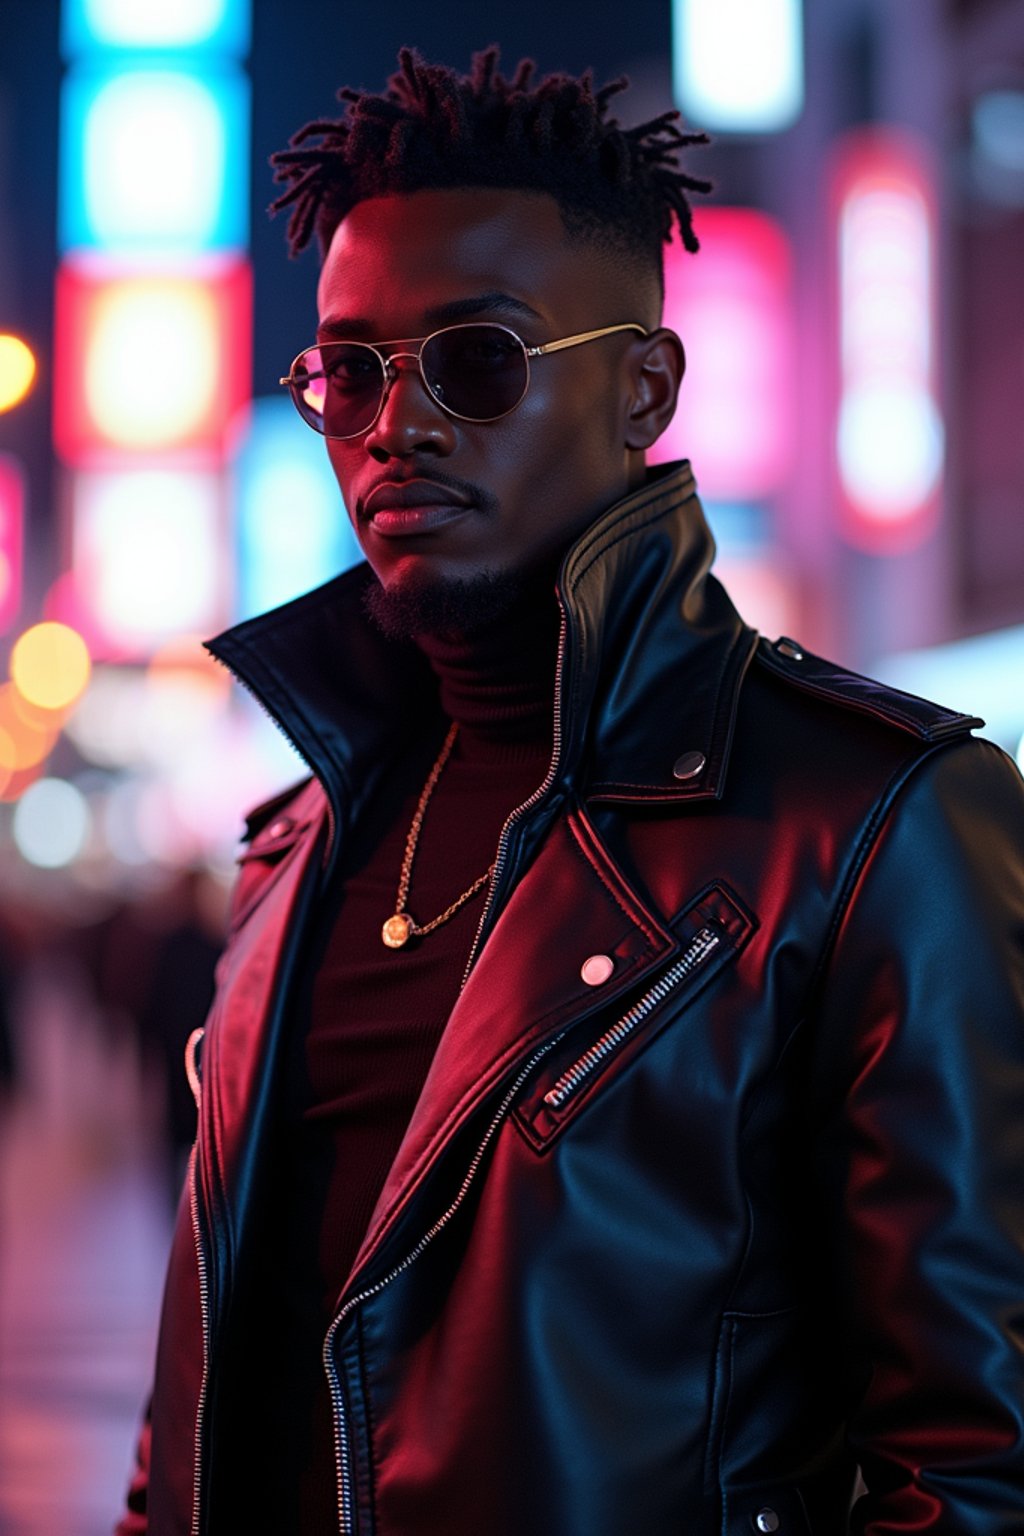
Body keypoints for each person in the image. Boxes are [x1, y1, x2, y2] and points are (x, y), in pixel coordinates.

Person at [117, 46, 1024, 1536]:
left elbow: (978, 1467)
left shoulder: (873, 819)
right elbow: (202, 1415)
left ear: (643, 388)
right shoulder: (299, 845)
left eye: (478, 359)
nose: (396, 426)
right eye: (348, 372)